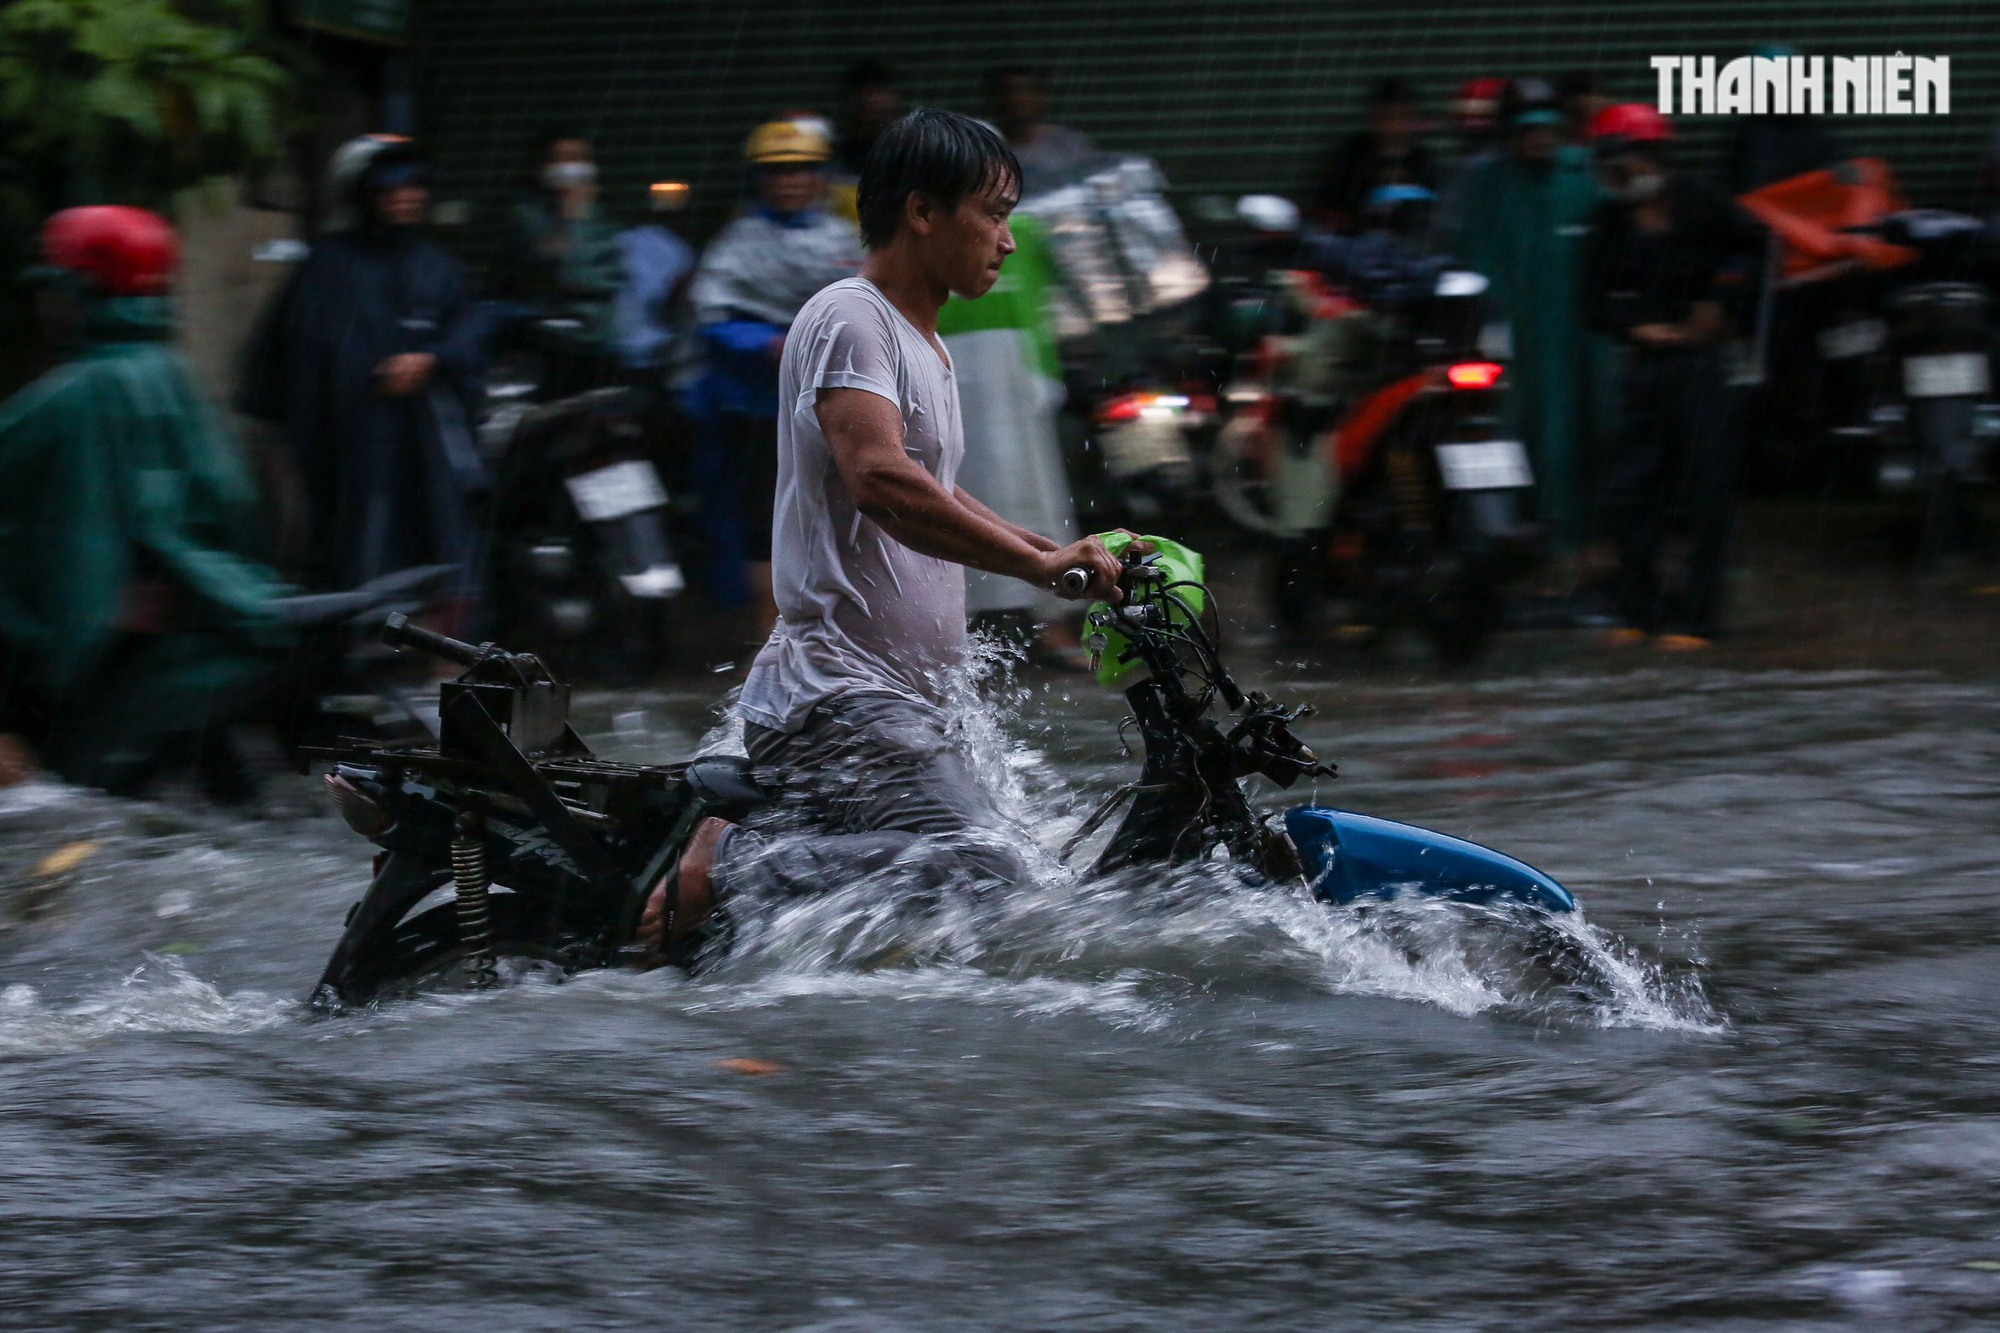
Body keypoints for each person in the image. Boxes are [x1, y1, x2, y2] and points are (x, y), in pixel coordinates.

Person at [637, 108, 1125, 956]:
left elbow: (938, 490)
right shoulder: (848, 317)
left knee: (1022, 878)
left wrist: (1054, 557)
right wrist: (1045, 567)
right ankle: (744, 866)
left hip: (896, 695)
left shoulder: (924, 343)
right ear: (923, 212)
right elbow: (883, 484)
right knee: (988, 867)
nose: (1008, 242)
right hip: (845, 693)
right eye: (994, 213)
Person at [0, 207, 290, 797]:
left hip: (91, 677)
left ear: (80, 292)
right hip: (211, 640)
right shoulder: (181, 382)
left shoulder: (61, 401)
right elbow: (238, 512)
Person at [241, 136, 489, 645]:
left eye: (415, 187)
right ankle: (363, 646)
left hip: (428, 431)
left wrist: (430, 359)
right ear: (366, 195)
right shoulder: (330, 263)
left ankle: (442, 650)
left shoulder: (436, 262)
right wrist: (363, 380)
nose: (406, 198)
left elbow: (467, 324)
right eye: (392, 188)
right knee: (362, 533)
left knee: (441, 531)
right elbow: (304, 347)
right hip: (356, 432)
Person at [1584, 104, 1763, 650]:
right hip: (1645, 370)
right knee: (1631, 492)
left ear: (1654, 156)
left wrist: (1720, 302)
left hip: (1701, 368)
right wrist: (1637, 329)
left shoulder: (1703, 203)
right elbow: (1591, 302)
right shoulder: (1609, 223)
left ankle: (1697, 618)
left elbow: (1754, 248)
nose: (1621, 174)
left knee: (1706, 491)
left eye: (1629, 161)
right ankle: (1638, 606)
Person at [685, 119, 863, 635]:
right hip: (758, 405)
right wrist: (767, 343)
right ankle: (772, 635)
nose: (790, 181)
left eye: (802, 169)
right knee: (765, 521)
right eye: (777, 171)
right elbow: (714, 314)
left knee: (840, 514)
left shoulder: (843, 237)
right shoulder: (738, 242)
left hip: (833, 400)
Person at [1441, 78, 1601, 552]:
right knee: (1499, 439)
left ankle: (1564, 547)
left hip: (1569, 343)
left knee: (1564, 443)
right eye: (1530, 129)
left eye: (1548, 128)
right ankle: (1497, 548)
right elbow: (1463, 254)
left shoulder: (1579, 179)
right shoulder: (1483, 185)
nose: (1541, 138)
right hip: (1500, 337)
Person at [500, 129, 626, 394]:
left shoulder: (599, 214)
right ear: (543, 168)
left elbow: (615, 275)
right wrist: (572, 216)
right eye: (565, 158)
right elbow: (569, 274)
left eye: (582, 159)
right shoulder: (526, 217)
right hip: (554, 345)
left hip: (601, 342)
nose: (575, 167)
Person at [1306, 76, 1436, 235]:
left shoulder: (1422, 161)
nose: (1395, 126)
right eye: (1388, 117)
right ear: (1375, 118)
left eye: (1402, 117)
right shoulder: (1351, 158)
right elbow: (1331, 208)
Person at [988, 65, 1098, 194]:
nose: (1015, 99)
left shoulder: (1069, 143)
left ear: (1041, 98)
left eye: (1023, 91)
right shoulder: (987, 150)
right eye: (1008, 91)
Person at [825, 60, 904, 226]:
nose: (870, 101)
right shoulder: (829, 153)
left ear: (893, 98)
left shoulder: (910, 152)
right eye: (864, 93)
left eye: (877, 93)